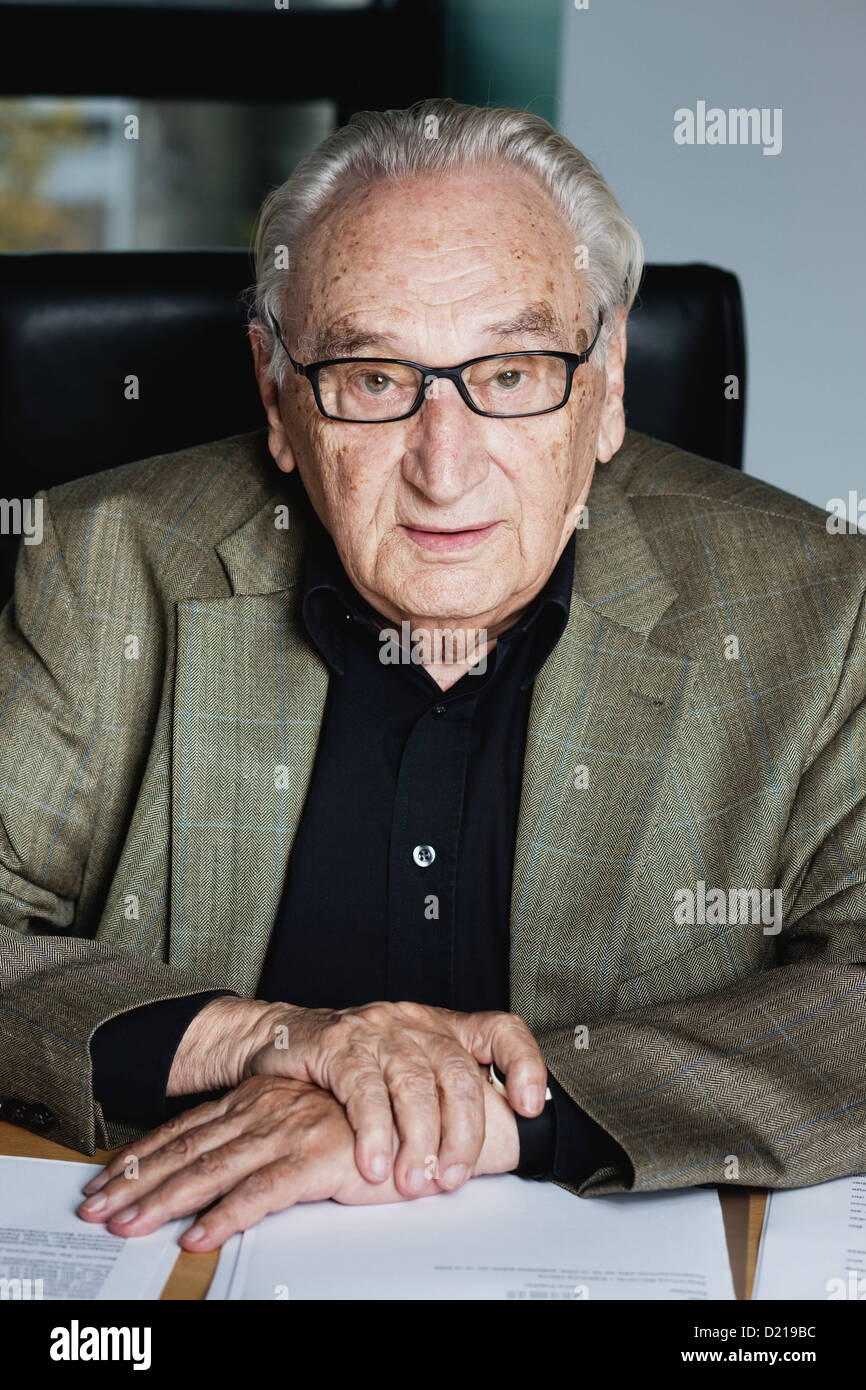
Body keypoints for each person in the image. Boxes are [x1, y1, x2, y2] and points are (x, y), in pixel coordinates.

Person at [1, 99, 864, 1253]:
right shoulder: (103, 561)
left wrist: (488, 1115)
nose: (443, 469)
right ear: (276, 394)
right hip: (188, 1255)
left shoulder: (813, 600)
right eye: (370, 378)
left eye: (510, 374)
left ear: (605, 381)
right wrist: (258, 1041)